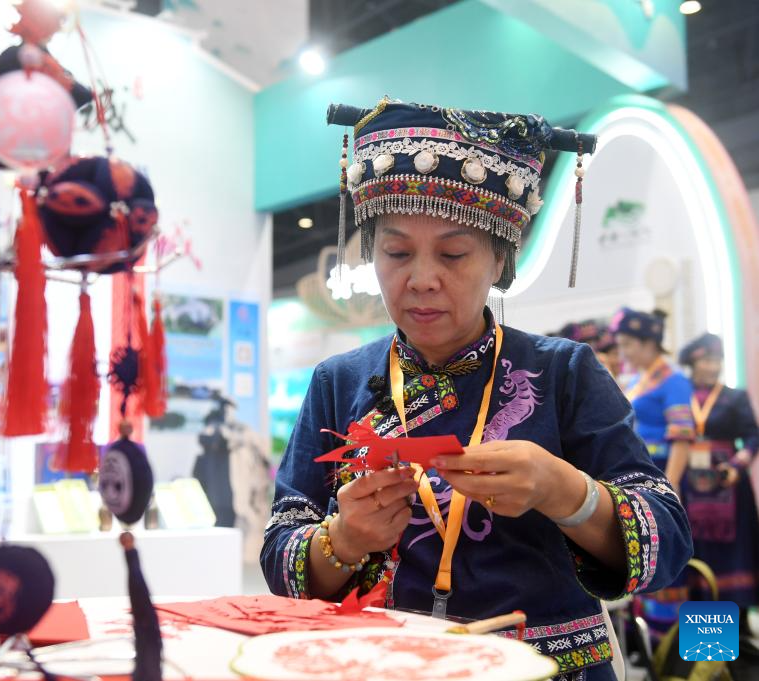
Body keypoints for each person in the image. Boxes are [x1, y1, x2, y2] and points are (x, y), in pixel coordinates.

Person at [261, 98, 692, 681]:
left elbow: (668, 543)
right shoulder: (338, 381)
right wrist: (343, 539)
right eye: (396, 252)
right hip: (383, 666)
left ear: (500, 261)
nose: (421, 279)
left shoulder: (564, 372)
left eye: (454, 253)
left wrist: (566, 492)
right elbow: (280, 555)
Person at [612, 308, 695, 639]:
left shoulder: (674, 380)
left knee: (681, 563)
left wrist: (669, 489)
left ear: (649, 343)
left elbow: (682, 439)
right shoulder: (638, 379)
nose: (624, 353)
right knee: (651, 555)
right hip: (643, 476)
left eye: (628, 345)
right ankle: (656, 649)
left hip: (666, 474)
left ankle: (698, 654)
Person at [678, 333, 758, 630]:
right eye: (707, 361)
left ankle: (737, 640)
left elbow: (752, 436)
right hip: (689, 488)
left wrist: (737, 464)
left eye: (717, 361)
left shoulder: (734, 397)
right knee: (696, 554)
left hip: (728, 488)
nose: (713, 367)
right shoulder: (679, 395)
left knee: (732, 557)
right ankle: (703, 647)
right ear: (693, 363)